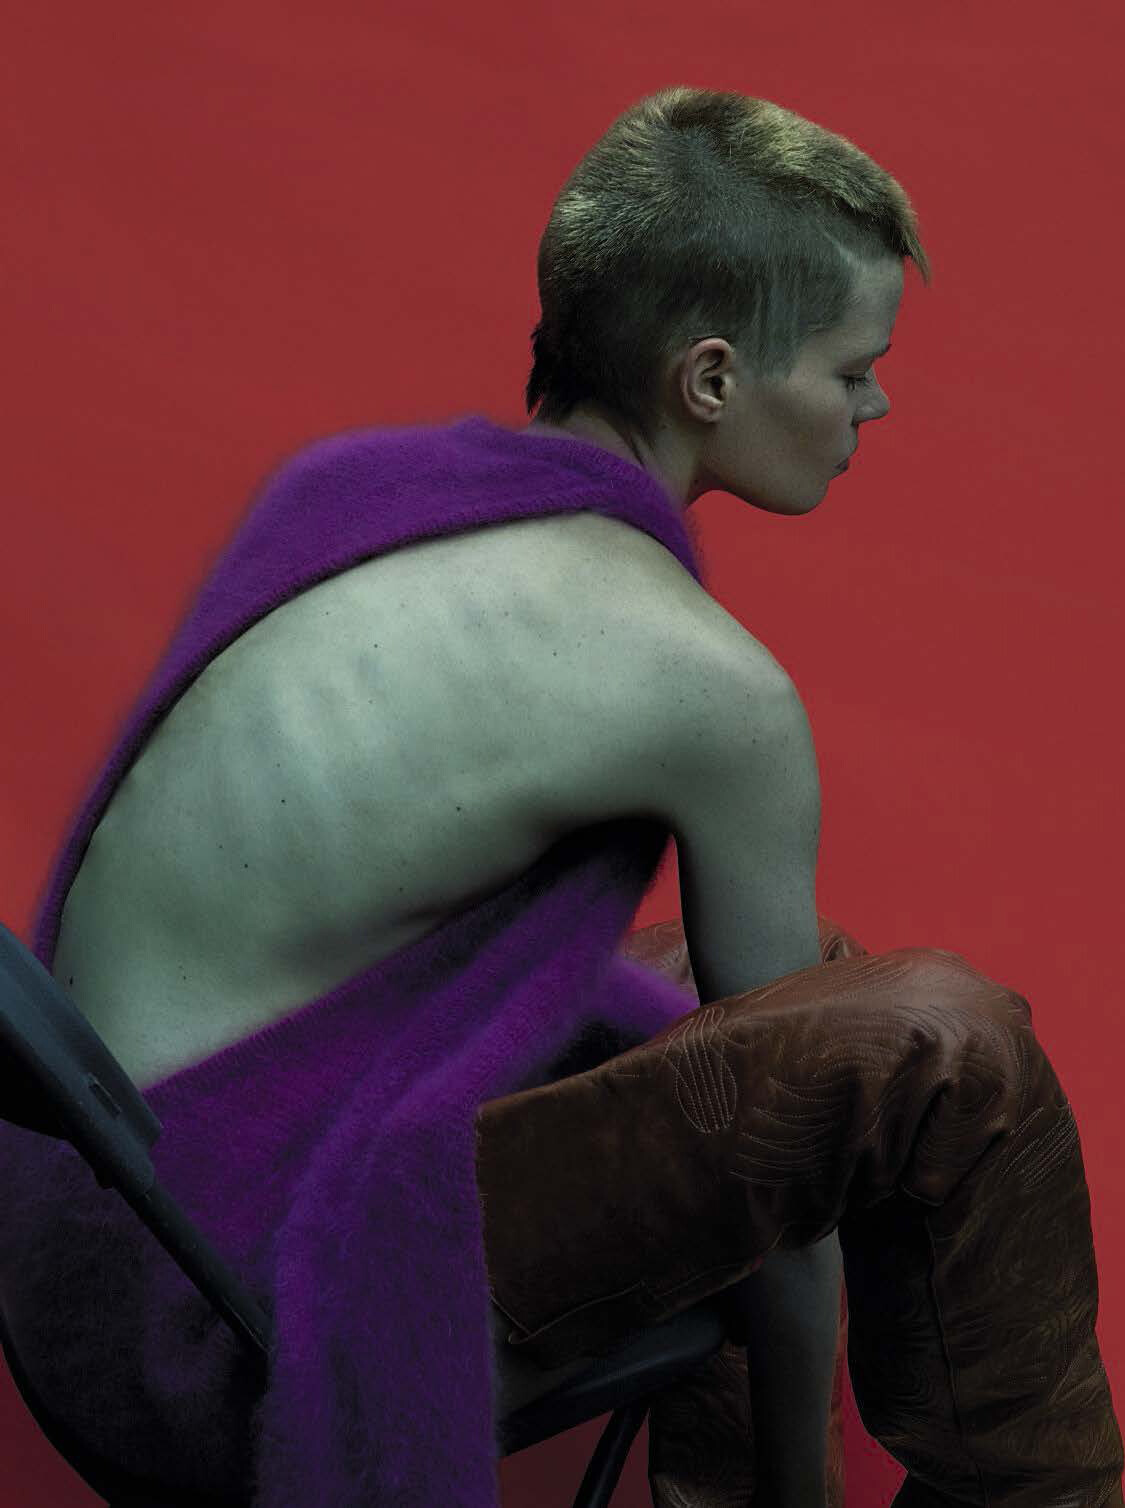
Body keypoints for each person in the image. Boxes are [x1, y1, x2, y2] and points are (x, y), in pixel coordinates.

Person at [1, 84, 1120, 1508]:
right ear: (710, 380)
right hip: (214, 1325)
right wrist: (804, 1479)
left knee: (789, 996)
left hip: (83, 1236)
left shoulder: (347, 491)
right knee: (942, 1044)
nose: (874, 403)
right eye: (850, 369)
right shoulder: (701, 686)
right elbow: (795, 1182)